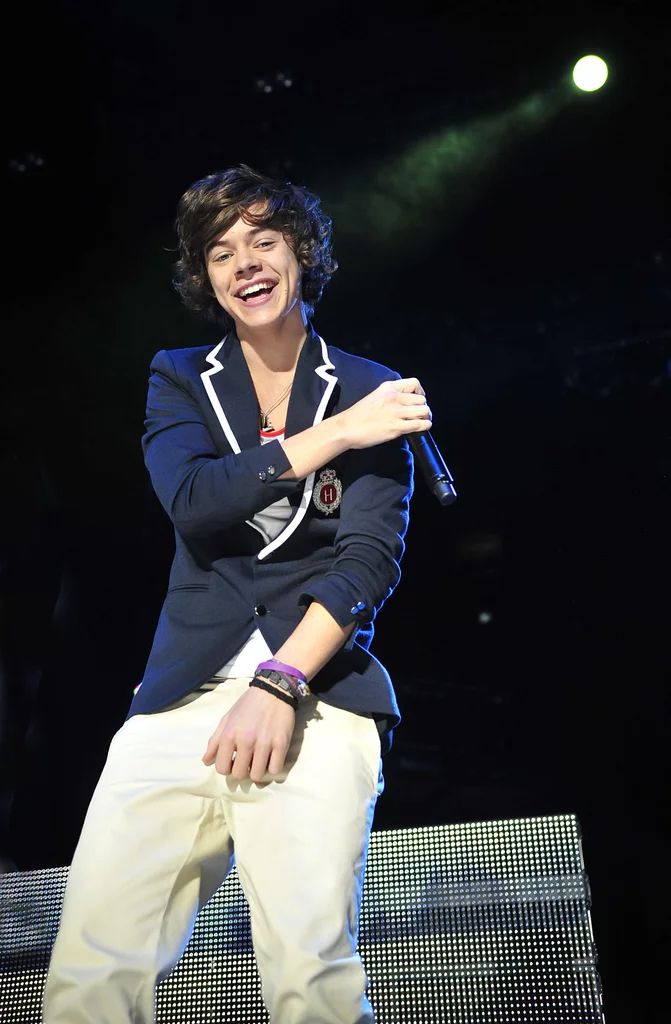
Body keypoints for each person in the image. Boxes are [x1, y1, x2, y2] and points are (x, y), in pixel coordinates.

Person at [43, 164, 431, 1023]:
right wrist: (332, 437)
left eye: (264, 240)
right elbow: (193, 499)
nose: (245, 263)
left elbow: (367, 560)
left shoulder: (372, 387)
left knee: (310, 979)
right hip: (180, 695)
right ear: (204, 276)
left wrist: (280, 684)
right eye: (221, 252)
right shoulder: (179, 375)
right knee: (90, 975)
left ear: (302, 253)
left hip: (316, 694)